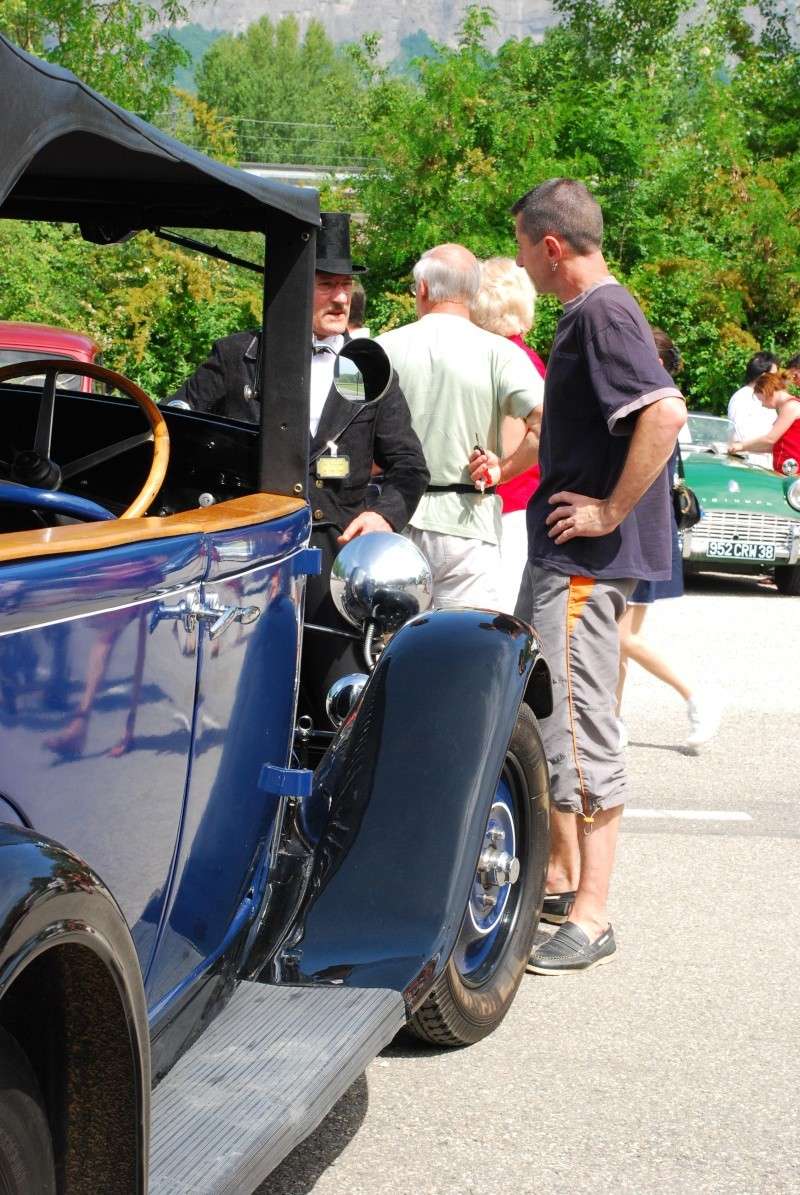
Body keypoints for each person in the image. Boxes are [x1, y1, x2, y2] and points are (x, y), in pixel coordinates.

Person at [481, 178, 686, 975]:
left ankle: (592, 916)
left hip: (582, 568)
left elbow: (663, 414)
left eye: (526, 246)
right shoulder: (597, 310)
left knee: (577, 729)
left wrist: (606, 509)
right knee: (568, 720)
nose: (524, 261)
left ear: (551, 246)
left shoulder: (600, 311)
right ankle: (567, 881)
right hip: (575, 565)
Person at [170, 212, 429, 725]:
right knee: (227, 706)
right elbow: (175, 428)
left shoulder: (366, 370)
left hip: (333, 563)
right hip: (242, 558)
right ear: (294, 287)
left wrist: (382, 518)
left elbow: (409, 469)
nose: (340, 299)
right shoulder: (239, 356)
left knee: (341, 704)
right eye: (326, 285)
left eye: (346, 286)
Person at [376, 244, 543, 610]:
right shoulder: (503, 354)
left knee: (387, 648)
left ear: (422, 288)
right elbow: (547, 425)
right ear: (472, 291)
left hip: (392, 516)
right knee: (463, 649)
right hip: (468, 523)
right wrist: (504, 469)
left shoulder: (380, 349)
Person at [616, 328, 720, 755]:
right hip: (644, 529)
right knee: (622, 634)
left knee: (618, 636)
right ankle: (612, 720)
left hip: (642, 530)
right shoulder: (659, 397)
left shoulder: (655, 402)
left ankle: (696, 695)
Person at [470, 257, 546, 614]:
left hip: (507, 507)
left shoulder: (504, 358)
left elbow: (526, 437)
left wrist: (501, 471)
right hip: (522, 504)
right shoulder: (525, 355)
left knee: (493, 616)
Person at [729, 370, 800, 475]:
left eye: (761, 400)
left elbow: (770, 439)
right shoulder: (787, 407)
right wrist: (741, 448)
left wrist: (741, 446)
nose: (762, 405)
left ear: (766, 391)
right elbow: (775, 445)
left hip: (794, 476)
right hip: (787, 473)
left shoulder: (791, 407)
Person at [727, 351, 779, 467]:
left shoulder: (767, 398)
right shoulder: (742, 398)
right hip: (747, 465)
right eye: (774, 376)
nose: (777, 380)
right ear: (763, 376)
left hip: (764, 465)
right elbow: (740, 436)